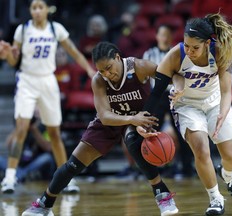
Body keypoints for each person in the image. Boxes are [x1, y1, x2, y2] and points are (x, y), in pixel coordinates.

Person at [21, 41, 179, 216]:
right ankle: (45, 203)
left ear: (118, 57)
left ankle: (162, 194)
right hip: (113, 120)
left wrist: (179, 88)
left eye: (109, 68)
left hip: (140, 118)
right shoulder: (99, 80)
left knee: (132, 141)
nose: (107, 74)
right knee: (73, 164)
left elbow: (170, 76)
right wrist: (131, 119)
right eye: (102, 70)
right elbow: (104, 116)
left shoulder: (139, 66)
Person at [137, 13, 232, 215]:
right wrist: (144, 118)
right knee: (201, 149)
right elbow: (156, 92)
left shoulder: (220, 51)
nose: (189, 51)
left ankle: (229, 174)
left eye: (195, 47)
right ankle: (215, 198)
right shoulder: (175, 55)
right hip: (187, 106)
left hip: (216, 103)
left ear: (206, 43)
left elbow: (227, 90)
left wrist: (222, 113)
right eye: (186, 45)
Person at [0, 0, 96, 194]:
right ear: (30, 10)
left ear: (46, 10)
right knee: (21, 129)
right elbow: (14, 60)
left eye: (40, 7)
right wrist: (6, 55)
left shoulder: (55, 28)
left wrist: (89, 69)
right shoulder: (23, 30)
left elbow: (74, 52)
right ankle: (9, 178)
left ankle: (66, 179)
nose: (36, 11)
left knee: (54, 133)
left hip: (48, 81)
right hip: (27, 80)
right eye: (33, 8)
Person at [143, 24, 194, 178]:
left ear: (171, 37)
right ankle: (152, 169)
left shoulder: (177, 53)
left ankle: (187, 167)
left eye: (167, 35)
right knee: (151, 132)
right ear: (157, 36)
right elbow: (144, 77)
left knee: (182, 132)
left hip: (174, 95)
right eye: (161, 34)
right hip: (156, 96)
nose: (164, 38)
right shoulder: (149, 54)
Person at [0, 115, 56, 182]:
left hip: (32, 164)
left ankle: (18, 176)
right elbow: (8, 145)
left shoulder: (40, 128)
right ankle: (20, 175)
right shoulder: (18, 130)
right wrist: (19, 128)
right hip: (17, 165)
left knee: (47, 157)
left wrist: (34, 130)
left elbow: (48, 148)